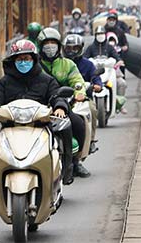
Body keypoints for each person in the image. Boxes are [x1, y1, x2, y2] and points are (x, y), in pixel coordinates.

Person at [0, 39, 74, 183]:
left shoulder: (46, 80)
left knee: (66, 127)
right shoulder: (4, 82)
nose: (23, 62)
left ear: (34, 60)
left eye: (26, 59)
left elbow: (56, 95)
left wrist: (60, 107)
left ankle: (68, 168)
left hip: (40, 125)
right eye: (19, 59)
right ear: (13, 61)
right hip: (11, 126)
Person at [37, 27, 90, 178]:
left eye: (53, 43)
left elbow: (77, 81)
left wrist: (79, 93)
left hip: (62, 105)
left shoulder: (68, 64)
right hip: (38, 107)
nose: (50, 47)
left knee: (79, 124)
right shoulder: (34, 66)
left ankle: (75, 161)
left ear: (59, 46)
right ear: (40, 46)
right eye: (46, 43)